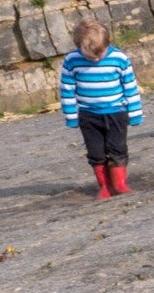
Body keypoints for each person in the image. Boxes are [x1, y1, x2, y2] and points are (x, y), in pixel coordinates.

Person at [58, 17, 143, 197]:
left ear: (107, 44)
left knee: (117, 149)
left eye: (100, 54)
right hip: (89, 115)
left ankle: (119, 184)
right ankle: (104, 186)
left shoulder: (119, 59)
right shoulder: (72, 61)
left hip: (117, 113)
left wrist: (135, 113)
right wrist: (71, 116)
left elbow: (130, 86)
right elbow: (67, 89)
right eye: (90, 55)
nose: (96, 59)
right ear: (79, 46)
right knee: (96, 152)